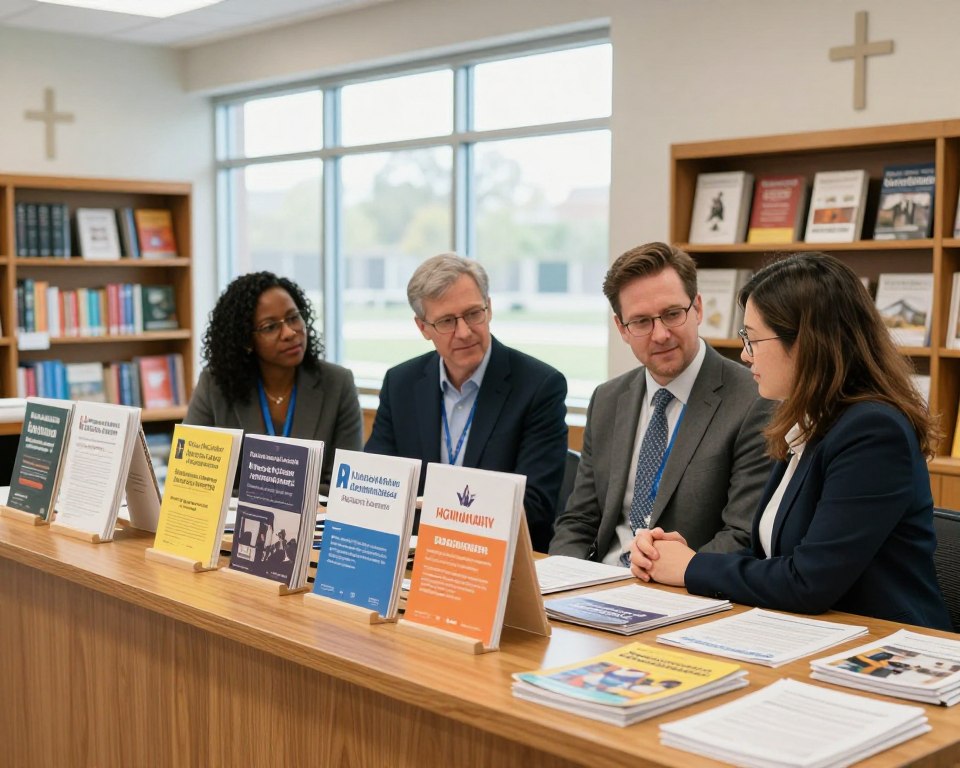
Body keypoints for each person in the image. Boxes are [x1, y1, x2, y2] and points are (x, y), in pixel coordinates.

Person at [630, 252, 952, 630]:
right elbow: (770, 555)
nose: (746, 355)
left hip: (887, 650)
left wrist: (691, 567)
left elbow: (808, 582)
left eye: (752, 339)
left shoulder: (873, 432)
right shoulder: (808, 419)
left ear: (805, 342)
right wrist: (681, 556)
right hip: (811, 635)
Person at [550, 242, 772, 564]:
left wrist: (662, 576)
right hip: (598, 584)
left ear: (697, 308)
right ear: (621, 329)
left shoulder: (753, 401)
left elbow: (741, 535)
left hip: (684, 591)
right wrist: (562, 579)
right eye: (641, 322)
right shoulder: (607, 399)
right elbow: (579, 521)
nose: (660, 335)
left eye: (672, 314)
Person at [364, 253, 568, 553]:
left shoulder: (539, 386)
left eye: (474, 314)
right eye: (447, 321)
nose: (464, 332)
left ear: (490, 308)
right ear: (423, 328)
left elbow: (535, 507)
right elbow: (377, 488)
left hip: (499, 561)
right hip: (416, 557)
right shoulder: (401, 384)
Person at [185, 271, 363, 496]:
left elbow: (344, 482)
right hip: (234, 526)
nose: (290, 333)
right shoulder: (216, 385)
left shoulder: (337, 383)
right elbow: (191, 477)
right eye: (270, 327)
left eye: (293, 318)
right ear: (246, 340)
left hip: (313, 527)